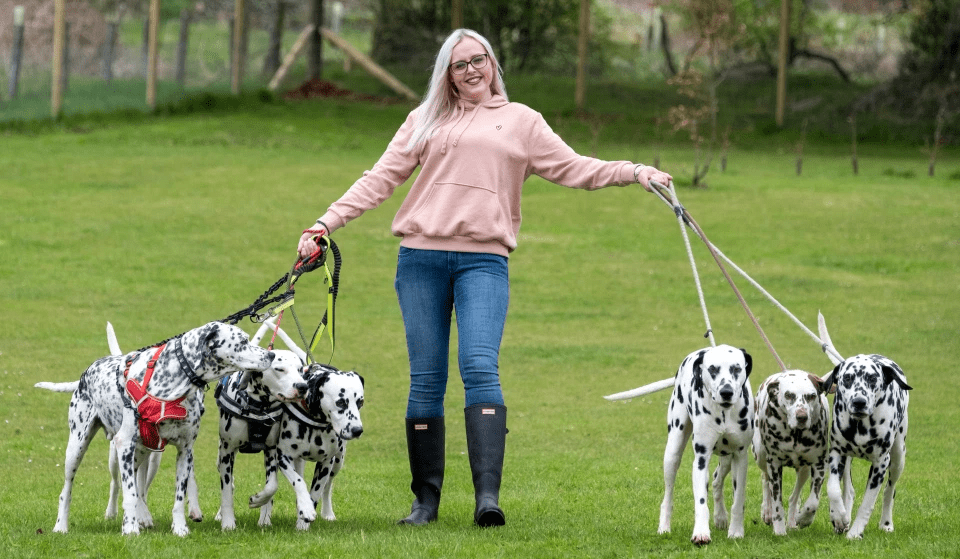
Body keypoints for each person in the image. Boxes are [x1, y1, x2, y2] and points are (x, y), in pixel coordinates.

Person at [296, 28, 673, 528]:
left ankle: (487, 500)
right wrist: (325, 223)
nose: (472, 70)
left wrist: (635, 171)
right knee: (426, 379)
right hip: (420, 260)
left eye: (479, 60)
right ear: (446, 75)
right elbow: (380, 178)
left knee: (479, 365)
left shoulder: (522, 122)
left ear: (493, 64)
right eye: (460, 65)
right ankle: (424, 504)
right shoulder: (425, 119)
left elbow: (575, 168)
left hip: (483, 263)